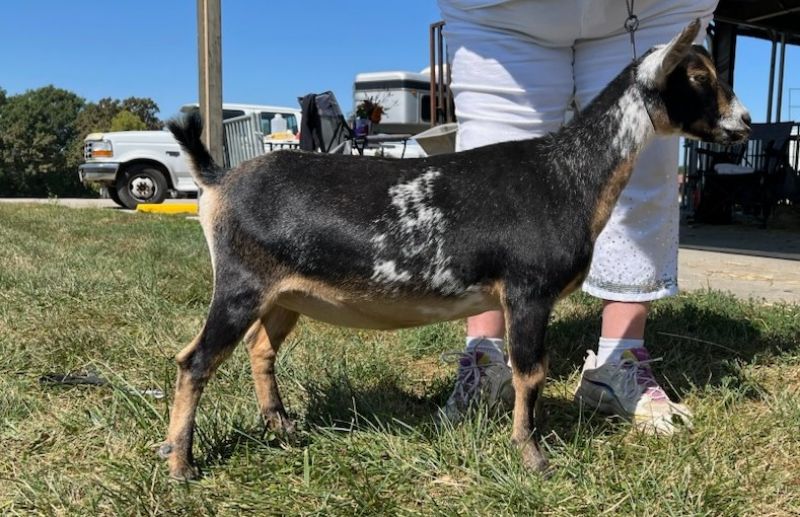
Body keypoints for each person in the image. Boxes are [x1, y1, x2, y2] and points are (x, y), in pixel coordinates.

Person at [438, 0, 717, 433]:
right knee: (492, 166)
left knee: (645, 159)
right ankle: (485, 357)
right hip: (501, 10)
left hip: (651, 5)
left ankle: (619, 357)